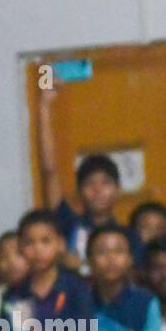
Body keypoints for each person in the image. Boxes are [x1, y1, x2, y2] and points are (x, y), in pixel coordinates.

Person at [35, 87, 130, 272]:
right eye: (89, 184)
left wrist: (84, 267)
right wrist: (44, 107)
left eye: (105, 183)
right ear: (79, 192)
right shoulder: (68, 223)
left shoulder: (129, 235)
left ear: (118, 189)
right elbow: (49, 172)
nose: (97, 190)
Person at [87, 224, 162, 331]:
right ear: (89, 261)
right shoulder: (80, 302)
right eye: (101, 252)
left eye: (118, 252)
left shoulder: (145, 302)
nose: (110, 258)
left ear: (130, 259)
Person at [3, 209, 92, 331]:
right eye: (29, 243)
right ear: (20, 247)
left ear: (60, 244)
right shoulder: (14, 294)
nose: (38, 250)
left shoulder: (77, 289)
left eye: (46, 241)